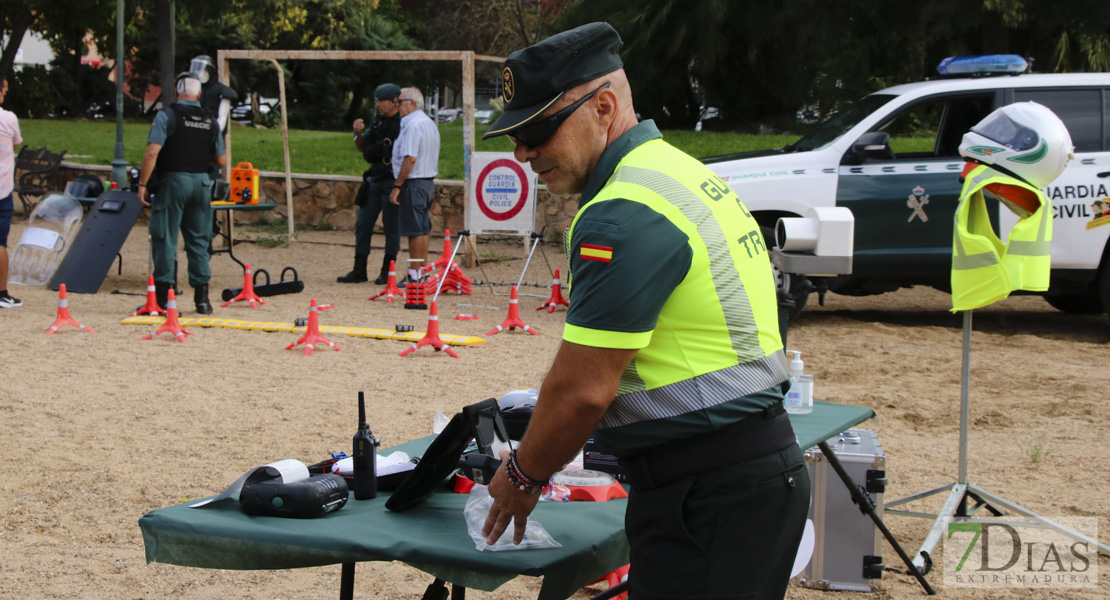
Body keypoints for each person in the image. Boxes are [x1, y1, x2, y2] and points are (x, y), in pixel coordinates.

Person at [479, 23, 809, 599]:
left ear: (603, 106)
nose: (523, 152)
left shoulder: (622, 210)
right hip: (744, 474)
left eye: (537, 129)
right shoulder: (678, 172)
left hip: (707, 492)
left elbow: (583, 389)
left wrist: (521, 475)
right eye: (515, 134)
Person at [137, 71, 227, 315]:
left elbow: (152, 153)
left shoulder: (167, 115)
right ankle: (202, 301)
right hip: (201, 184)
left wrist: (143, 184)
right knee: (198, 240)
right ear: (199, 94)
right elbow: (221, 158)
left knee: (165, 237)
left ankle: (164, 300)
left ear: (177, 92)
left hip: (173, 182)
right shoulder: (210, 120)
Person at [338, 83, 403, 284]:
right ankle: (359, 269)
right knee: (363, 224)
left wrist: (398, 186)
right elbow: (361, 146)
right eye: (376, 100)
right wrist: (357, 132)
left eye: (381, 100)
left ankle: (387, 271)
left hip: (391, 180)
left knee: (391, 227)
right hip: (374, 179)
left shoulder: (403, 124)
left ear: (394, 101)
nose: (377, 104)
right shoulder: (377, 122)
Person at [389, 87, 440, 275]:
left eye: (399, 102)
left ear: (411, 102)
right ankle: (421, 271)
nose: (397, 106)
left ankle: (415, 274)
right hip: (426, 181)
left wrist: (397, 185)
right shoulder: (428, 123)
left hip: (414, 182)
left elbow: (410, 158)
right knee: (422, 229)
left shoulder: (412, 125)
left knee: (414, 231)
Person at [0, 76, 23, 308]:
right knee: (0, 243)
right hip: (2, 189)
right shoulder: (8, 118)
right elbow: (15, 143)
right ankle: (1, 292)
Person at [189, 55, 239, 134]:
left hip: (213, 131)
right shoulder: (193, 89)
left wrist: (215, 133)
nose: (198, 74)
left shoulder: (221, 90)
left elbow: (222, 117)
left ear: (209, 71)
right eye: (196, 70)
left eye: (202, 70)